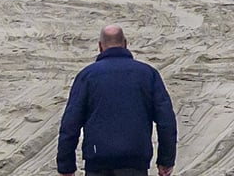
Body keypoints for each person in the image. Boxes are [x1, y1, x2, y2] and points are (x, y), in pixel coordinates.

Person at [54, 25, 176, 176]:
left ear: (100, 46)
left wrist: (66, 166)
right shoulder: (148, 74)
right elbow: (166, 121)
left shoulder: (87, 76)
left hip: (98, 161)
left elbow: (70, 125)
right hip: (135, 161)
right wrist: (166, 159)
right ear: (125, 43)